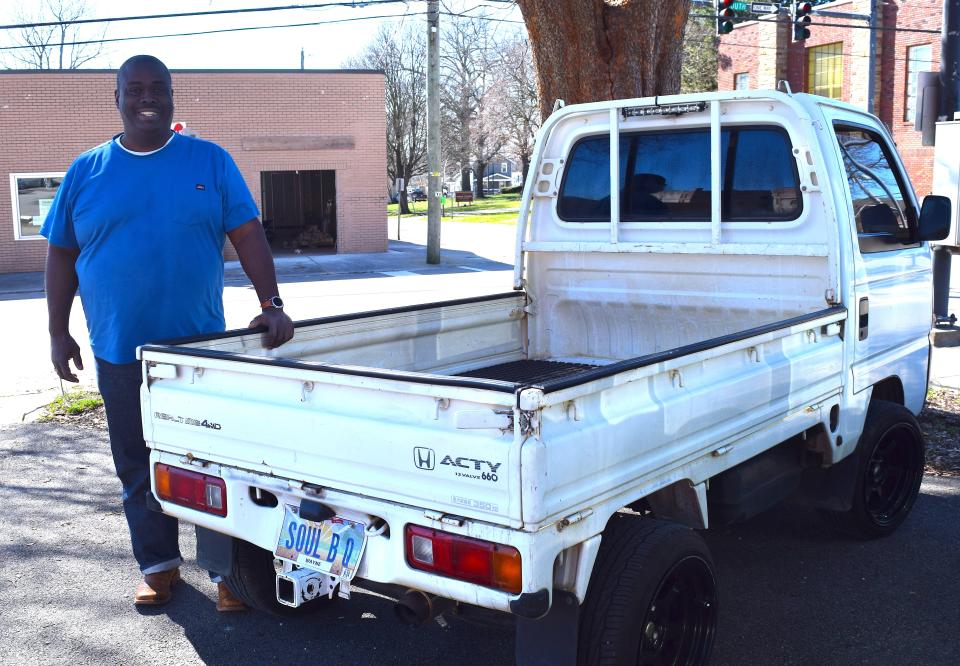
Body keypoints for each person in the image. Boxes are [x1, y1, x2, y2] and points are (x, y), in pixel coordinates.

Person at [41, 55, 294, 610]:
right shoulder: (87, 170)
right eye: (135, 89)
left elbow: (248, 236)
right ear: (118, 98)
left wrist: (271, 303)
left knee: (211, 463)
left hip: (199, 352)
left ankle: (228, 575)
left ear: (173, 96)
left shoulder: (210, 160)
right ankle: (157, 565)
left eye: (158, 88)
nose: (146, 97)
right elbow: (62, 254)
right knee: (136, 460)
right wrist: (59, 333)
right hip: (119, 351)